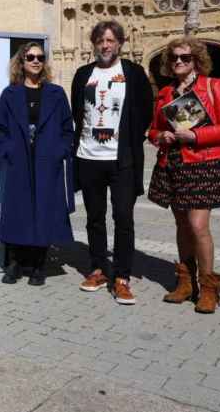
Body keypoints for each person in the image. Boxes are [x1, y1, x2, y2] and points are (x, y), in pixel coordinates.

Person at [147, 37, 220, 313]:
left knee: (198, 226)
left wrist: (196, 135)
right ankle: (186, 283)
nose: (179, 62)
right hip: (173, 161)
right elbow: (152, 130)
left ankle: (209, 288)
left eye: (185, 58)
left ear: (196, 60)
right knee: (182, 226)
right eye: (174, 57)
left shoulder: (214, 86)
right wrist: (159, 135)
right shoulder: (165, 92)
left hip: (201, 161)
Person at [71, 20, 153, 304]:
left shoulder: (133, 73)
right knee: (94, 218)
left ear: (120, 43)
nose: (105, 45)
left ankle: (121, 277)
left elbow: (145, 109)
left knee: (124, 218)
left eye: (110, 40)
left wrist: (129, 139)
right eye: (100, 41)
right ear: (94, 44)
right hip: (88, 156)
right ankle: (97, 269)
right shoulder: (83, 74)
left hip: (122, 160)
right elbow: (78, 111)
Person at [0, 42, 74, 285]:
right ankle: (15, 264)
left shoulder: (56, 93)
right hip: (18, 163)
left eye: (40, 57)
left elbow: (68, 129)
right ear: (22, 62)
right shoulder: (10, 94)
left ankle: (39, 265)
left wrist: (59, 151)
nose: (36, 61)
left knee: (44, 211)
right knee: (17, 212)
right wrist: (8, 151)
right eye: (30, 57)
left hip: (48, 162)